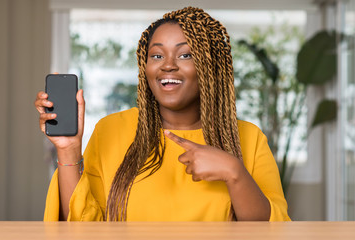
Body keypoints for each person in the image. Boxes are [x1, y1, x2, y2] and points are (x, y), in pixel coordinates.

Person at [35, 6, 290, 221]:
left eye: (185, 54)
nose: (168, 65)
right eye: (156, 55)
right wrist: (68, 150)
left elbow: (273, 229)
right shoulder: (111, 130)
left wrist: (235, 172)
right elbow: (81, 226)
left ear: (210, 67)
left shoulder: (249, 138)